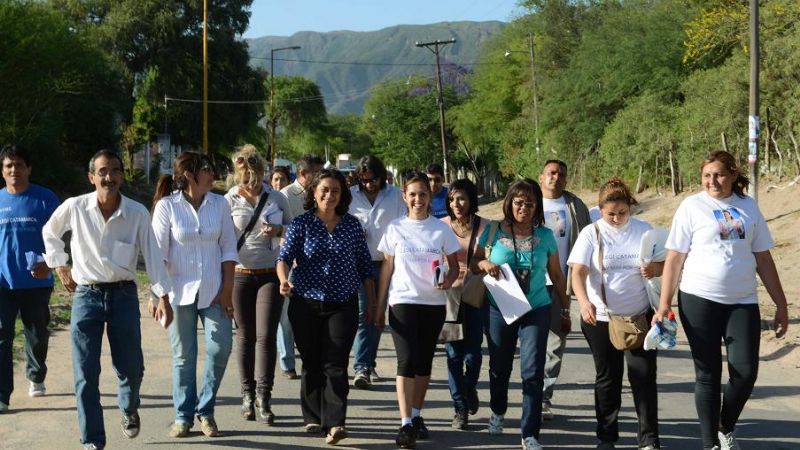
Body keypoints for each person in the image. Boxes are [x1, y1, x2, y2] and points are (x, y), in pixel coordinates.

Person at [653, 150, 789, 450]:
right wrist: (664, 303)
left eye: (719, 174)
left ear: (733, 175)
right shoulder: (691, 207)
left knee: (745, 372)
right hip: (699, 298)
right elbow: (675, 257)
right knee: (708, 374)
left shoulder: (748, 207)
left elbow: (763, 258)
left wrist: (781, 303)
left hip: (743, 300)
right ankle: (709, 445)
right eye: (706, 176)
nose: (712, 181)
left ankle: (725, 426)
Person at [41, 150, 173, 450]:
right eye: (102, 171)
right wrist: (60, 263)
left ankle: (128, 407)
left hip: (124, 295)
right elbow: (50, 232)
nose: (108, 177)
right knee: (85, 373)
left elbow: (152, 255)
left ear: (122, 176)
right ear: (91, 177)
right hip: (86, 296)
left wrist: (162, 294)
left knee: (132, 366)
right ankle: (92, 440)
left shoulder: (137, 212)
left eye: (115, 170)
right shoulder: (75, 207)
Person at [277, 169, 375, 446]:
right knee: (311, 361)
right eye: (324, 190)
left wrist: (373, 302)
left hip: (342, 303)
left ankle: (335, 423)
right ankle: (312, 415)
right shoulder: (301, 224)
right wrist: (284, 281)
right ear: (314, 192)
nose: (329, 195)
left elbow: (365, 267)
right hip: (305, 303)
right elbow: (283, 258)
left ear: (342, 195)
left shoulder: (352, 226)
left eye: (335, 190)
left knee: (335, 363)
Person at [471, 178, 570, 450]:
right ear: (509, 203)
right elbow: (473, 263)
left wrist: (565, 307)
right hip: (499, 308)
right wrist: (485, 262)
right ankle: (498, 411)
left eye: (529, 203)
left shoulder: (546, 236)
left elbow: (557, 275)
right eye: (518, 202)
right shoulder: (493, 232)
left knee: (532, 371)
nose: (523, 207)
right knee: (499, 367)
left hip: (536, 308)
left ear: (537, 206)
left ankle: (529, 433)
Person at [568, 178, 662, 450]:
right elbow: (578, 271)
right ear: (599, 210)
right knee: (608, 379)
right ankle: (606, 437)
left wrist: (655, 269)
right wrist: (583, 301)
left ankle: (649, 440)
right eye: (610, 213)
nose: (617, 218)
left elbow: (666, 264)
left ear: (630, 207)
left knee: (643, 377)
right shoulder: (591, 233)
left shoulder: (644, 230)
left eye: (622, 212)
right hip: (600, 319)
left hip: (640, 316)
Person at [151, 151, 239, 439]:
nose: (213, 175)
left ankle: (206, 409)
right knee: (183, 357)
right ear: (190, 175)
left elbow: (228, 249)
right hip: (178, 293)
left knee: (220, 347)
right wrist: (161, 297)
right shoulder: (167, 207)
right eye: (208, 170)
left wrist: (227, 291)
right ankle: (183, 415)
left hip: (215, 291)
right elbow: (158, 256)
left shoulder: (220, 204)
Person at [375, 171, 460, 449]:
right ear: (404, 197)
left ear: (430, 196)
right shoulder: (395, 227)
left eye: (423, 194)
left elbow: (455, 264)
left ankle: (417, 414)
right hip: (402, 302)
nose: (418, 199)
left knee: (423, 363)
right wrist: (379, 305)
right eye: (412, 194)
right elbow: (387, 268)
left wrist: (447, 280)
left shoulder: (441, 229)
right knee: (406, 361)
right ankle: (405, 424)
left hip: (433, 304)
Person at [225, 146, 292, 424]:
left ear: (263, 172)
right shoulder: (228, 199)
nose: (251, 181)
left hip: (269, 273)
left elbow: (293, 231)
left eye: (255, 175)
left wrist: (278, 231)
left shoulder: (277, 197)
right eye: (245, 175)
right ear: (238, 173)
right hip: (241, 273)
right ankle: (247, 395)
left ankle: (265, 396)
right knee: (245, 336)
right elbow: (222, 240)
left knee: (266, 336)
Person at [0, 144, 59, 413]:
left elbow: (59, 237)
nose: (15, 170)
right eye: (9, 165)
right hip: (3, 284)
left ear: (29, 169)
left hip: (36, 282)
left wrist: (50, 263)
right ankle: (2, 395)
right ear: (3, 171)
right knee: (2, 338)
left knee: (36, 335)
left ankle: (36, 376)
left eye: (19, 165)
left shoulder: (45, 199)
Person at [538, 159, 591, 420]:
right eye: (551, 173)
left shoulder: (574, 206)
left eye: (561, 173)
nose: (555, 177)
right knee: (531, 341)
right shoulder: (529, 201)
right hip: (531, 284)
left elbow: (588, 241)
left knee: (556, 341)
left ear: (566, 179)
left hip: (562, 283)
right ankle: (530, 393)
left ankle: (545, 397)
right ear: (541, 177)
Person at [349, 155, 406, 390]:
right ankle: (361, 366)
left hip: (387, 263)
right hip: (358, 262)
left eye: (373, 180)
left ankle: (369, 361)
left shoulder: (394, 195)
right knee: (364, 313)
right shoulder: (350, 195)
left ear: (382, 177)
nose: (369, 185)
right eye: (364, 181)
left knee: (378, 314)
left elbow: (405, 223)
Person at [440, 178, 489, 429]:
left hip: (475, 296)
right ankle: (460, 408)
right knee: (453, 354)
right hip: (448, 297)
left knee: (473, 354)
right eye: (451, 199)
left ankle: (469, 389)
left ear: (471, 200)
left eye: (461, 198)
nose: (456, 203)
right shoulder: (440, 226)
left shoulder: (486, 227)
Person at [278, 154, 324, 380]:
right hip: (291, 262)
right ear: (303, 174)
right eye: (317, 173)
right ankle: (287, 362)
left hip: (315, 265)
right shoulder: (285, 196)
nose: (321, 177)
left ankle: (311, 358)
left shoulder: (319, 194)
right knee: (286, 316)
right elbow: (282, 229)